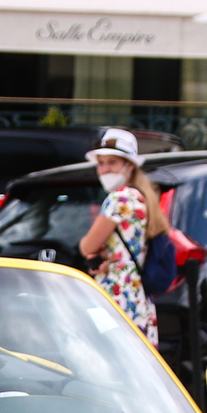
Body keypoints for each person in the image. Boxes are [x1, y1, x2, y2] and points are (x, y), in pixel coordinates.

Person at [78, 128, 159, 341]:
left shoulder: (120, 199)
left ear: (129, 165)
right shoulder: (141, 196)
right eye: (101, 163)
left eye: (112, 162)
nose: (105, 169)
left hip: (117, 292)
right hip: (135, 293)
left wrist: (92, 252)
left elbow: (87, 246)